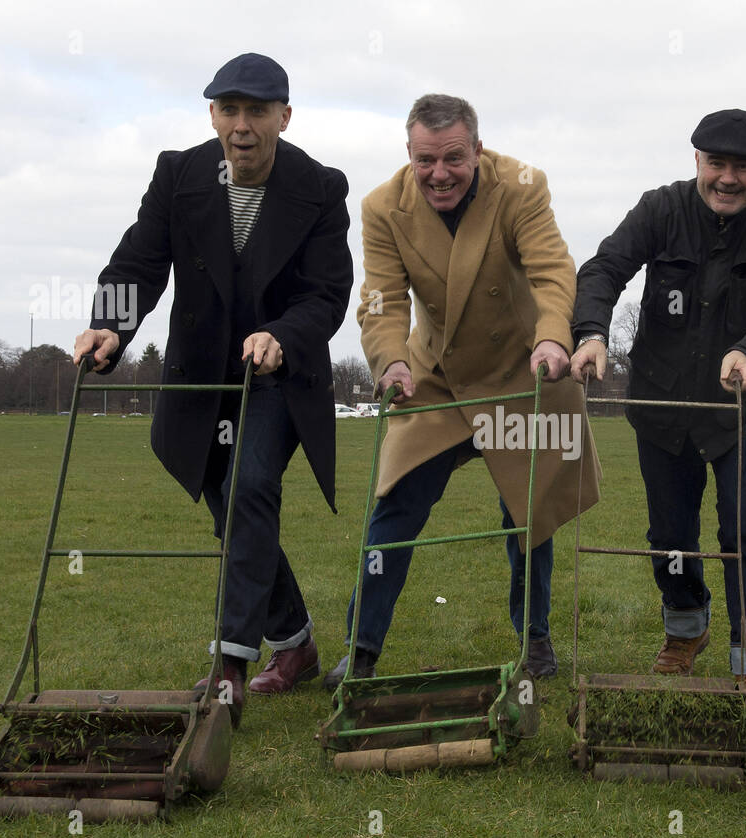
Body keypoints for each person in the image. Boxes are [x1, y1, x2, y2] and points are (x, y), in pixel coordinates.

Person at [72, 53, 354, 726]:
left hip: (280, 374)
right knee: (230, 501)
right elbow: (139, 259)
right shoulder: (180, 173)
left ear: (284, 116)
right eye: (229, 110)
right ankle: (296, 645)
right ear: (212, 116)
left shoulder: (320, 187)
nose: (243, 126)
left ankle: (229, 665)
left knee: (250, 483)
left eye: (258, 111)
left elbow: (328, 292)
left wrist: (281, 333)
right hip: (201, 377)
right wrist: (109, 326)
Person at [323, 93, 600, 689]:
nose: (439, 174)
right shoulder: (381, 207)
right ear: (409, 153)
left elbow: (553, 269)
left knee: (530, 515)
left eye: (453, 157)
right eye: (425, 160)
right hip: (437, 378)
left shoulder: (523, 185)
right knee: (393, 510)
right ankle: (361, 650)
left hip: (526, 372)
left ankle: (535, 641)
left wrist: (554, 339)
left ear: (477, 148)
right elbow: (381, 299)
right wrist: (391, 361)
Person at [571, 109, 746, 682]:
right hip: (661, 407)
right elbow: (604, 269)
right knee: (671, 533)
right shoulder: (660, 208)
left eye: (744, 167)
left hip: (742, 415)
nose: (728, 178)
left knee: (744, 529)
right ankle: (685, 629)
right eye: (716, 164)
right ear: (697, 161)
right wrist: (591, 335)